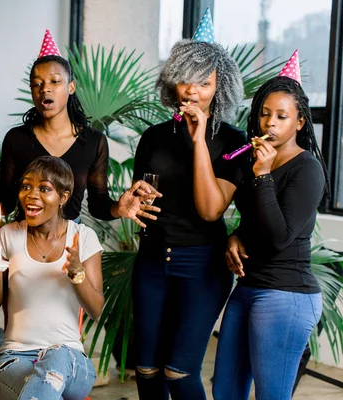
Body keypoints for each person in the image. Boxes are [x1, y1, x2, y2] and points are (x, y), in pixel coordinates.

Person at [130, 9, 246, 399]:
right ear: (172, 83)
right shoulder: (153, 137)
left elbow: (212, 211)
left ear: (220, 85)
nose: (192, 90)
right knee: (146, 371)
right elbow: (137, 195)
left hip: (202, 266)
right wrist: (134, 201)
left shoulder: (233, 142)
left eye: (204, 81)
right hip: (151, 259)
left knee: (178, 372)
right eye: (184, 79)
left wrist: (198, 141)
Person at [0, 30, 158, 227]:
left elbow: (98, 206)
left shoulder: (94, 141)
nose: (45, 88)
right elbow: (7, 204)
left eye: (55, 81)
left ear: (71, 87)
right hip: (22, 239)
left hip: (70, 242)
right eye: (37, 84)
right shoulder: (17, 138)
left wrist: (117, 208)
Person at [212, 62, 328, 400]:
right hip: (248, 287)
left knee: (271, 395)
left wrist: (262, 177)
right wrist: (235, 236)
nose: (270, 124)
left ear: (299, 122)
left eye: (281, 116)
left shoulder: (307, 168)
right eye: (264, 114)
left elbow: (280, 236)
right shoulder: (256, 161)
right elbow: (256, 223)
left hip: (287, 294)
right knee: (226, 391)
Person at [0, 156, 114, 400]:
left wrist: (77, 274)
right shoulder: (8, 236)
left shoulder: (83, 237)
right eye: (26, 186)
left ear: (63, 197)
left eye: (44, 188)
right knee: (46, 387)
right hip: (15, 358)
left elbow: (96, 309)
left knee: (56, 358)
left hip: (70, 360)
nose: (31, 194)